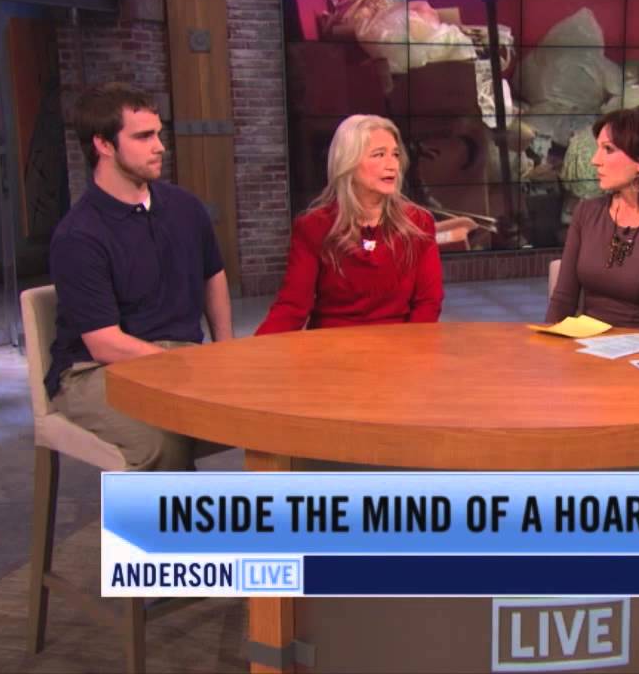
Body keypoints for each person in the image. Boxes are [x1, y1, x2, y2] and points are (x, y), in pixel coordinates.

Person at [45, 82, 232, 471]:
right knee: (159, 440)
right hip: (96, 371)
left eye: (159, 134)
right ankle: (166, 513)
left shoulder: (185, 208)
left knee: (273, 407)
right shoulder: (79, 235)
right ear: (104, 144)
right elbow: (104, 343)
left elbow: (213, 276)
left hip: (179, 354)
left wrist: (225, 352)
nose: (160, 147)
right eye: (144, 137)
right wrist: (183, 367)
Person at [255, 115, 442, 334]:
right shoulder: (314, 227)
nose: (392, 165)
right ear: (348, 163)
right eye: (379, 154)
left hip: (400, 346)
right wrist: (255, 349)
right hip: (332, 348)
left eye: (395, 154)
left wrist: (409, 348)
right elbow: (292, 308)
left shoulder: (418, 223)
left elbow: (428, 303)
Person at [546, 105, 639, 333]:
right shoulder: (587, 213)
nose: (595, 160)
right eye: (598, 148)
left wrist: (611, 349)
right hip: (585, 345)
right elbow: (563, 300)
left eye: (608, 149)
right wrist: (547, 342)